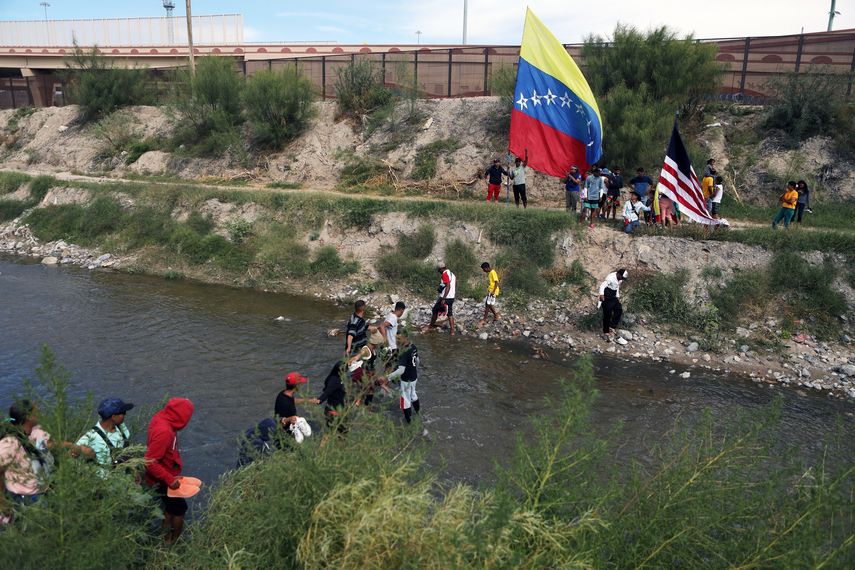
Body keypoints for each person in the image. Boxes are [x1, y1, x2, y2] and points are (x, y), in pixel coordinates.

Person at [144, 397, 195, 544]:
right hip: (162, 478)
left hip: (162, 475)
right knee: (180, 509)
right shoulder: (164, 431)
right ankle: (173, 542)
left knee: (169, 506)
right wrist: (170, 479)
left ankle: (163, 536)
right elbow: (150, 461)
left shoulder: (161, 417)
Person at [0, 401, 53, 517]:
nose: (40, 412)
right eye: (36, 411)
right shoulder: (10, 443)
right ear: (28, 417)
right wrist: (3, 503)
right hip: (27, 501)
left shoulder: (28, 434)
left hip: (40, 495)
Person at [76, 398, 134, 469]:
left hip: (126, 476)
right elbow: (72, 453)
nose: (125, 415)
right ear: (114, 417)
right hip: (106, 479)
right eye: (123, 412)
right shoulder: (91, 436)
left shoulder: (121, 427)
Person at [382, 331, 421, 425]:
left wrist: (387, 377)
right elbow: (417, 361)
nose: (397, 340)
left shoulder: (403, 352)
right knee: (413, 394)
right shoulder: (413, 346)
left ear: (405, 338)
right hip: (414, 376)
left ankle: (409, 423)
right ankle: (418, 414)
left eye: (399, 339)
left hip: (406, 379)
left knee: (405, 401)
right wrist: (413, 369)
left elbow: (401, 371)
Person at [275, 372, 309, 440]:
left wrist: (309, 401)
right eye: (300, 383)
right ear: (296, 385)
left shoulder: (283, 393)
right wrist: (289, 419)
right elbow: (279, 421)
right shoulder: (285, 403)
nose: (301, 385)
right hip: (286, 436)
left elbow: (292, 400)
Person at [599, 269, 629, 345]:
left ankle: (612, 327)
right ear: (618, 274)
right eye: (621, 277)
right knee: (607, 313)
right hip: (606, 294)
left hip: (613, 295)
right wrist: (601, 295)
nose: (622, 279)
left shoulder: (620, 279)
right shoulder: (610, 278)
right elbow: (603, 285)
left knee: (619, 309)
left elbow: (617, 287)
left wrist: (617, 296)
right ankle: (606, 332)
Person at [428, 262, 456, 335]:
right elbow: (453, 283)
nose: (439, 272)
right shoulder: (452, 274)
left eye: (438, 270)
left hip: (445, 297)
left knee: (435, 310)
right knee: (449, 313)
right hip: (451, 297)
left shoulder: (444, 274)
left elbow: (448, 286)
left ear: (441, 269)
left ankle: (431, 326)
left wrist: (443, 298)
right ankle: (452, 331)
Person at [478, 261, 500, 326]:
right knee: (487, 304)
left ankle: (496, 315)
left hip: (493, 291)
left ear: (487, 267)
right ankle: (485, 319)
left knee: (489, 304)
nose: (483, 270)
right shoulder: (490, 273)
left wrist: (493, 291)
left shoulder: (493, 272)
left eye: (483, 269)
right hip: (491, 291)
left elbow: (496, 282)